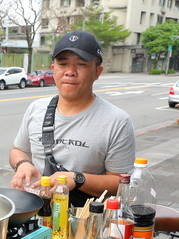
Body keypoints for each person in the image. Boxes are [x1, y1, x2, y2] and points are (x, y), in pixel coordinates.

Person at [9, 30, 135, 207]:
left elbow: (120, 182)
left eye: (81, 64)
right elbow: (18, 150)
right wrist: (23, 164)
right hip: (36, 214)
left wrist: (77, 179)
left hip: (84, 221)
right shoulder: (36, 108)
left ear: (97, 72)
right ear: (53, 69)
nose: (70, 72)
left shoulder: (117, 121)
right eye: (63, 63)